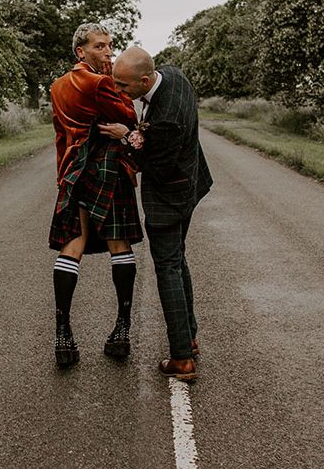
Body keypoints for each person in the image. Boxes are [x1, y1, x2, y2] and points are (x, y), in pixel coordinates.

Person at [99, 47, 212, 381]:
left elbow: (156, 167)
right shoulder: (174, 75)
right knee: (178, 260)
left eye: (123, 86)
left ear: (145, 80)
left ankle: (181, 359)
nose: (120, 92)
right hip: (191, 184)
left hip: (171, 194)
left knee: (167, 268)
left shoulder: (166, 120)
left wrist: (128, 137)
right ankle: (188, 337)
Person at [49, 23, 143, 367]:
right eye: (100, 47)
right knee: (119, 242)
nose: (108, 53)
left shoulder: (57, 86)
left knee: (72, 243)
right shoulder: (101, 82)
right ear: (81, 52)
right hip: (105, 166)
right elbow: (128, 115)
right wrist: (117, 91)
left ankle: (63, 334)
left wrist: (63, 174)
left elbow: (61, 135)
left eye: (110, 46)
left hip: (73, 170)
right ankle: (122, 330)